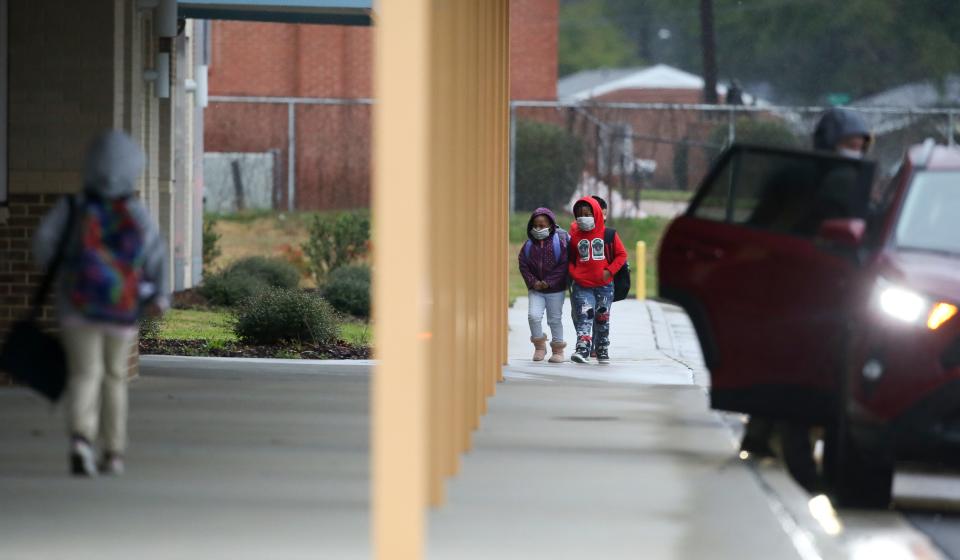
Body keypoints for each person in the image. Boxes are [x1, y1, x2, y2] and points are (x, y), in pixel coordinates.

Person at [740, 107, 873, 492]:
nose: (856, 151)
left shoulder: (843, 180)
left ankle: (761, 437)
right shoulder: (828, 182)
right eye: (850, 144)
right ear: (830, 143)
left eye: (860, 145)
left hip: (826, 293)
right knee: (799, 370)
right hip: (798, 289)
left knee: (792, 367)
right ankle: (797, 463)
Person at [33, 130, 169, 477]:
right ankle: (114, 452)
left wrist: (67, 276)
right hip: (121, 309)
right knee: (113, 377)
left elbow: (43, 244)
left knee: (84, 374)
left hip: (76, 306)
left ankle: (81, 439)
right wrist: (158, 295)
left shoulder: (73, 207)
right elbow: (155, 255)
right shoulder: (134, 211)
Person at [567, 196, 627, 364]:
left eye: (587, 214)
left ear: (597, 215)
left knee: (602, 318)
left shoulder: (609, 234)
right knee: (585, 316)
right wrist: (575, 274)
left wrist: (609, 271)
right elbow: (570, 259)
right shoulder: (575, 236)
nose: (583, 218)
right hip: (583, 287)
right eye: (579, 215)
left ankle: (601, 347)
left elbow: (621, 255)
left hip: (604, 287)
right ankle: (582, 349)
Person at [518, 207, 569, 363]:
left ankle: (558, 350)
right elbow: (523, 264)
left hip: (555, 290)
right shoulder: (528, 246)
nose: (538, 229)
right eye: (535, 225)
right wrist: (534, 282)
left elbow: (563, 265)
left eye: (542, 225)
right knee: (533, 316)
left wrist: (549, 282)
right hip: (536, 290)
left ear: (551, 226)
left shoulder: (559, 243)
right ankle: (540, 346)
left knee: (554, 319)